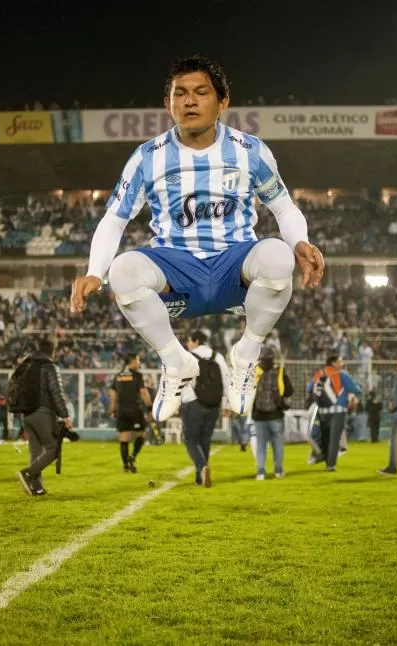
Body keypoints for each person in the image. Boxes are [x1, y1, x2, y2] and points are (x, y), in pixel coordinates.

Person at [69, 55, 324, 425]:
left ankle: (246, 354)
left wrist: (301, 241)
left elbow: (284, 208)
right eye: (180, 93)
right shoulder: (147, 157)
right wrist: (95, 271)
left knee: (279, 255)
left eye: (201, 92)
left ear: (223, 102)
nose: (189, 101)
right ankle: (176, 363)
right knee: (122, 269)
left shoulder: (250, 151)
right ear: (167, 104)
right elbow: (114, 219)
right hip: (177, 269)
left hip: (234, 266)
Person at [16, 338, 73, 497]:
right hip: (43, 412)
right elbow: (56, 392)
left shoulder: (27, 366)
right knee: (54, 448)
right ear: (52, 352)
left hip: (27, 413)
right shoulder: (50, 367)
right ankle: (27, 474)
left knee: (36, 451)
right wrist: (65, 415)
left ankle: (37, 488)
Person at [181, 331, 230, 487]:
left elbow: (181, 382)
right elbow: (227, 380)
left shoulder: (188, 357)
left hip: (193, 402)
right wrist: (226, 404)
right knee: (205, 440)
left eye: (189, 341)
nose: (188, 344)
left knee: (190, 440)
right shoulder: (218, 356)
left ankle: (202, 467)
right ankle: (200, 476)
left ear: (195, 341)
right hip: (213, 405)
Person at [309, 356, 362, 472]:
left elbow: (309, 389)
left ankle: (322, 457)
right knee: (334, 439)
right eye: (340, 361)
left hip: (323, 411)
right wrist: (357, 387)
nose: (342, 364)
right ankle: (330, 465)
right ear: (333, 363)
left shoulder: (318, 374)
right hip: (338, 411)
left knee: (326, 438)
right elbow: (355, 389)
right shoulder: (341, 374)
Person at [250, 346, 293, 480]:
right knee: (278, 445)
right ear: (273, 359)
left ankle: (261, 472)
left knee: (261, 445)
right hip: (276, 415)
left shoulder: (255, 373)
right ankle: (278, 470)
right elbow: (289, 391)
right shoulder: (279, 372)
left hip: (259, 416)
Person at [110, 353, 152, 473]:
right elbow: (143, 392)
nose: (139, 363)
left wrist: (113, 409)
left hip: (121, 410)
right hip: (135, 410)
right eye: (138, 360)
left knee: (124, 437)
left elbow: (112, 394)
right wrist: (149, 406)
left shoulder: (118, 376)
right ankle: (132, 457)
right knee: (141, 435)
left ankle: (125, 465)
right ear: (132, 361)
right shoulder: (137, 375)